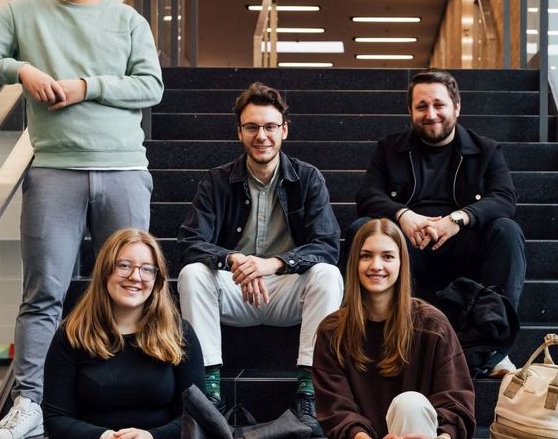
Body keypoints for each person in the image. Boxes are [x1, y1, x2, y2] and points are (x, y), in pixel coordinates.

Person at [0, 0, 164, 439]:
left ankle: (132, 395)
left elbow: (151, 87)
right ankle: (30, 403)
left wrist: (87, 86)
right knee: (43, 292)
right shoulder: (23, 14)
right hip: (53, 169)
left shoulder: (128, 20)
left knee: (135, 288)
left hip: (123, 168)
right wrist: (19, 69)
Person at [176, 82, 343, 434]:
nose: (261, 135)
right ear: (240, 132)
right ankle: (210, 394)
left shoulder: (308, 178)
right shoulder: (217, 181)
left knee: (328, 275)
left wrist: (273, 263)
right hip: (235, 289)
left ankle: (310, 393)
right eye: (252, 127)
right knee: (192, 273)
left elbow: (327, 244)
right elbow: (191, 242)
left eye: (269, 126)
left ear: (284, 129)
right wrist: (235, 260)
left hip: (286, 290)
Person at [351, 69, 527, 375]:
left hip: (464, 242)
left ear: (456, 107)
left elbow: (504, 198)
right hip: (410, 244)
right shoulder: (389, 148)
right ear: (410, 111)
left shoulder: (485, 150)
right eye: (421, 107)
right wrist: (404, 216)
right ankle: (376, 340)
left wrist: (458, 219)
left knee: (507, 231)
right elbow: (368, 195)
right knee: (361, 231)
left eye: (439, 105)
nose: (431, 114)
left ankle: (494, 347)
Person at [313, 218, 475, 439]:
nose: (376, 266)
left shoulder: (432, 326)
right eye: (366, 256)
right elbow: (336, 411)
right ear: (354, 263)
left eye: (387, 256)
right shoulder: (332, 331)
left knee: (410, 405)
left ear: (402, 263)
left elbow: (457, 403)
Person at [42, 228, 204, 439]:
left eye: (147, 269)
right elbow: (56, 419)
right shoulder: (72, 335)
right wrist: (103, 437)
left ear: (157, 279)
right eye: (124, 266)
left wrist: (151, 437)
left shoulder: (179, 333)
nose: (135, 277)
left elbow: (197, 417)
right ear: (105, 270)